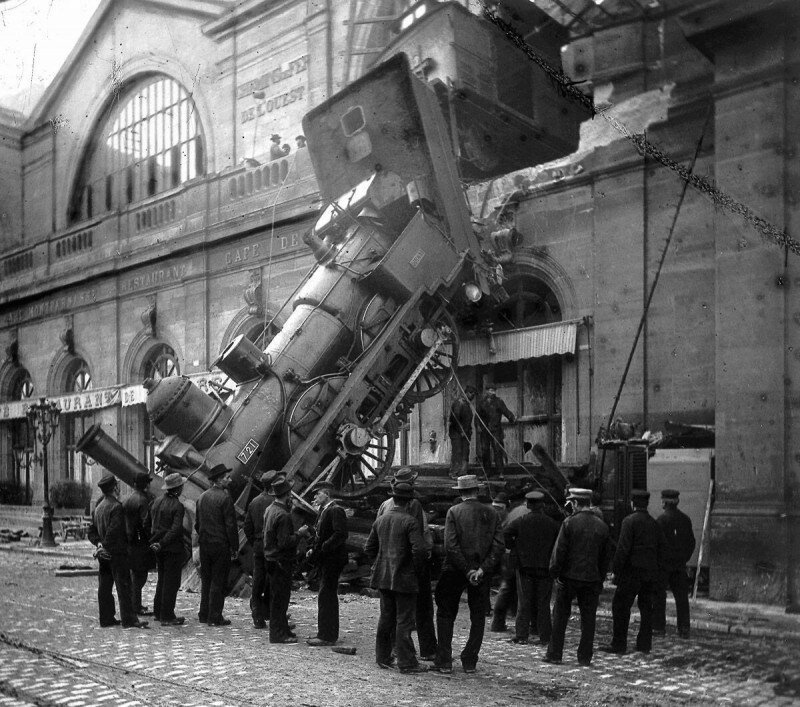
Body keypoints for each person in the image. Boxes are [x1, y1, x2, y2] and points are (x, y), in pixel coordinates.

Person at [432, 475, 504, 674]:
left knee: (445, 613)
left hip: (454, 570)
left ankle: (444, 660)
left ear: (460, 492)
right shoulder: (492, 513)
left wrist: (466, 569)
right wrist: (481, 569)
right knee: (478, 616)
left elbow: (450, 546)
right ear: (477, 491)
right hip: (481, 573)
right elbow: (498, 546)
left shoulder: (454, 512)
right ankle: (470, 661)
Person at [364, 482, 428, 674]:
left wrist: (379, 564)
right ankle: (407, 662)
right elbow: (420, 551)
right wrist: (416, 571)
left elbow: (369, 548)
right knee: (404, 621)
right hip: (404, 579)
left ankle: (383, 658)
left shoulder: (381, 520)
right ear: (409, 502)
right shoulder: (410, 522)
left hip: (383, 577)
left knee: (386, 618)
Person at [545, 488, 612, 666]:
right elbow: (606, 557)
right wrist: (600, 578)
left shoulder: (569, 523)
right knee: (588, 620)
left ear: (575, 503)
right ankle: (584, 657)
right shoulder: (602, 526)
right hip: (591, 579)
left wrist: (555, 573)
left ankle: (554, 654)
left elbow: (559, 552)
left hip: (568, 578)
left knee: (560, 617)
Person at [376, 467, 436, 660]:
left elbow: (376, 539)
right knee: (419, 609)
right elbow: (419, 538)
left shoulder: (384, 506)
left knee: (389, 613)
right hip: (410, 566)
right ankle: (426, 650)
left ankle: (390, 651)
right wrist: (421, 560)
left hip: (387, 567)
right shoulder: (414, 505)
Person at [601, 489, 667, 655]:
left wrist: (616, 570)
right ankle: (644, 644)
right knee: (646, 609)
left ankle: (619, 644)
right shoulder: (654, 523)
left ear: (632, 503)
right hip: (649, 573)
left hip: (631, 573)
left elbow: (623, 549)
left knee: (620, 607)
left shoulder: (628, 521)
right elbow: (662, 549)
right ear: (646, 504)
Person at [88, 471, 148, 629]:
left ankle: (106, 618)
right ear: (114, 488)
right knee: (124, 587)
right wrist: (105, 546)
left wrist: (99, 546)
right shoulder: (116, 507)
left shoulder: (99, 507)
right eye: (117, 486)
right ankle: (129, 620)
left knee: (105, 587)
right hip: (117, 554)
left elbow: (91, 531)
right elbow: (114, 532)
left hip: (104, 555)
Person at [504, 490, 560, 645]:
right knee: (543, 603)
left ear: (528, 505)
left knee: (524, 602)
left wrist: (515, 547)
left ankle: (521, 635)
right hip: (545, 567)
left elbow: (505, 534)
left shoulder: (521, 521)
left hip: (524, 567)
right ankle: (545, 637)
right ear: (542, 505)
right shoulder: (552, 524)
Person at [305, 481, 348, 646]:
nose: (315, 497)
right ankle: (326, 633)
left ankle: (326, 636)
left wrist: (323, 547)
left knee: (326, 596)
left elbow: (340, 534)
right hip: (327, 559)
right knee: (326, 596)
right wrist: (314, 548)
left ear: (327, 494)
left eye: (318, 493)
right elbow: (321, 533)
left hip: (332, 560)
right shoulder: (324, 510)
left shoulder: (335, 510)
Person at [195, 463, 238, 626]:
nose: (230, 479)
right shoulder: (225, 498)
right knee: (218, 581)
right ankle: (215, 617)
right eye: (227, 477)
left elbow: (197, 524)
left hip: (205, 545)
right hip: (220, 545)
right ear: (219, 480)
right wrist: (234, 547)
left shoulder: (202, 497)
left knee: (206, 580)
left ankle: (203, 614)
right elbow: (230, 526)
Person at [653, 489, 696, 638]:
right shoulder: (685, 519)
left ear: (664, 502)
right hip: (679, 565)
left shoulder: (660, 520)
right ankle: (684, 628)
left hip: (663, 565)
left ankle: (658, 627)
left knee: (659, 596)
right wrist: (684, 558)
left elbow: (655, 544)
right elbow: (691, 543)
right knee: (682, 597)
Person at [263, 476, 299, 644]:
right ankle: (278, 634)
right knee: (280, 599)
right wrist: (300, 534)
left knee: (278, 597)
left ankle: (283, 629)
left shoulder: (270, 509)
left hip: (270, 559)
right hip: (280, 560)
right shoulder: (283, 515)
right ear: (288, 494)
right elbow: (285, 542)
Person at [149, 472, 186, 626]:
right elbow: (175, 529)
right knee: (171, 583)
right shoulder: (178, 506)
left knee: (162, 580)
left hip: (158, 548)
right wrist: (163, 543)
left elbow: (147, 523)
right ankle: (167, 616)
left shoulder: (156, 502)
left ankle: (158, 612)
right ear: (177, 489)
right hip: (172, 549)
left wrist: (154, 542)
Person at [490, 487, 528, 632]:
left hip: (506, 554)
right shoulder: (524, 512)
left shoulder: (513, 512)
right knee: (514, 587)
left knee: (507, 586)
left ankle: (498, 622)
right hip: (515, 554)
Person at [244, 471, 279, 629]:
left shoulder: (254, 502)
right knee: (273, 581)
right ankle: (272, 614)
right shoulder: (277, 504)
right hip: (273, 547)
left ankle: (257, 616)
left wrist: (255, 541)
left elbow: (247, 527)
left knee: (258, 580)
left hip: (258, 546)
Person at [123, 471, 153, 616]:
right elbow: (145, 523)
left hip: (129, 541)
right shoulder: (143, 500)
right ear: (145, 485)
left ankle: (136, 604)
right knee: (140, 576)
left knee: (135, 574)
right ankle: (136, 606)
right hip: (140, 542)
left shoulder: (127, 498)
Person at [475, 385, 515, 479]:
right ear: (487, 391)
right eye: (490, 390)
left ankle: (500, 472)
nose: (492, 392)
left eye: (494, 390)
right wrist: (477, 426)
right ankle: (487, 473)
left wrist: (511, 418)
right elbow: (477, 416)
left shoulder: (499, 402)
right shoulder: (481, 403)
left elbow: (506, 411)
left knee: (498, 450)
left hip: (496, 430)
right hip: (485, 431)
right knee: (485, 451)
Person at [448, 385, 476, 479]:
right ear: (466, 393)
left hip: (465, 433)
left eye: (474, 394)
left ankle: (463, 472)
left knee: (465, 451)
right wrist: (461, 431)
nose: (473, 396)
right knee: (457, 451)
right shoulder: (459, 403)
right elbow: (455, 419)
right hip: (456, 433)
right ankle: (454, 472)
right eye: (471, 393)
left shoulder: (467, 404)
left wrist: (467, 431)